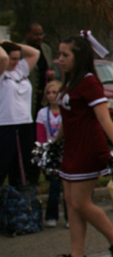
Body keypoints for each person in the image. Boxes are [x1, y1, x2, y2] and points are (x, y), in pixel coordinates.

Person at [47, 34, 113, 257]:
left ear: (79, 56)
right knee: (71, 203)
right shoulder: (70, 81)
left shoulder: (90, 82)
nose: (60, 59)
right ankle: (77, 256)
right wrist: (54, 142)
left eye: (65, 55)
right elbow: (68, 118)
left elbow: (105, 119)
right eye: (59, 54)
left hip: (88, 149)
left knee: (81, 202)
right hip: (71, 149)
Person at [0, 40, 40, 187]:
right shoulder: (2, 72)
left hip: (25, 122)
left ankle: (17, 196)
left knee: (22, 165)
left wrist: (12, 44)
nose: (16, 62)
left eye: (18, 58)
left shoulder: (21, 70)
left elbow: (35, 53)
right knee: (3, 162)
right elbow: (3, 58)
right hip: (6, 124)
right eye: (13, 58)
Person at [37, 80, 67, 228]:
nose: (51, 96)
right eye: (48, 93)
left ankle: (70, 217)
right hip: (52, 154)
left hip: (65, 152)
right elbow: (40, 135)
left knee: (67, 187)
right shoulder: (42, 113)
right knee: (54, 186)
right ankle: (51, 215)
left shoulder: (66, 111)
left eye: (54, 92)